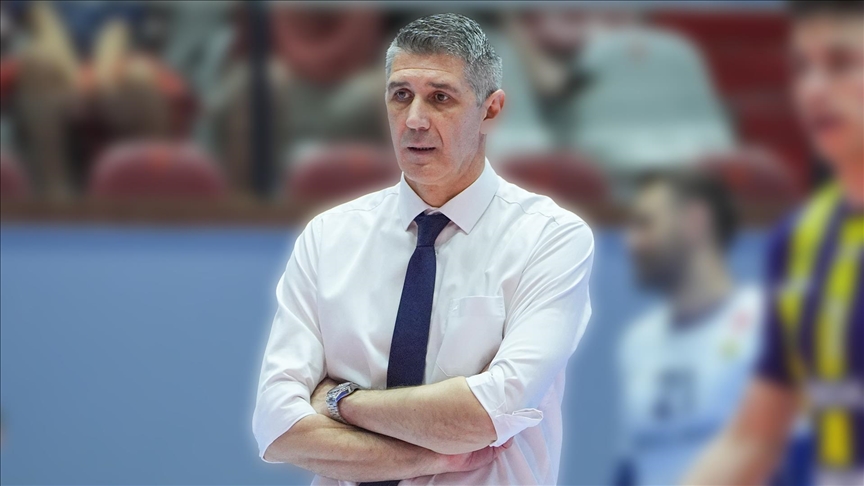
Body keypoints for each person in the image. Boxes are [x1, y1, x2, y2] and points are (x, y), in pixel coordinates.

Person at [252, 13, 595, 485]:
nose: (414, 120)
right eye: (401, 95)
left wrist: (339, 400)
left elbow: (486, 414)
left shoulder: (550, 238)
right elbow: (277, 427)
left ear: (491, 110)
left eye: (440, 98)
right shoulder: (328, 236)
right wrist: (429, 459)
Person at [682, 2, 864, 485]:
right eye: (803, 68)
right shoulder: (801, 238)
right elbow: (753, 441)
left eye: (841, 63)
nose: (814, 90)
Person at [615, 172, 761, 486]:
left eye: (645, 224)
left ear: (695, 222)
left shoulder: (764, 325)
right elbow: (633, 465)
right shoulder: (639, 341)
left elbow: (799, 456)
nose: (632, 242)